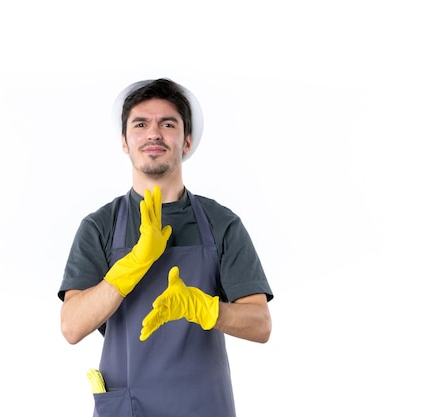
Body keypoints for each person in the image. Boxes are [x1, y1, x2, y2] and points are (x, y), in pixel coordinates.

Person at [58, 78, 273, 417]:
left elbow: (260, 324)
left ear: (186, 141)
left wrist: (204, 308)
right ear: (125, 142)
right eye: (140, 124)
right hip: (129, 407)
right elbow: (72, 326)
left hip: (203, 407)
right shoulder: (101, 225)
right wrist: (133, 265)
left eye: (167, 124)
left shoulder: (221, 223)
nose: (153, 133)